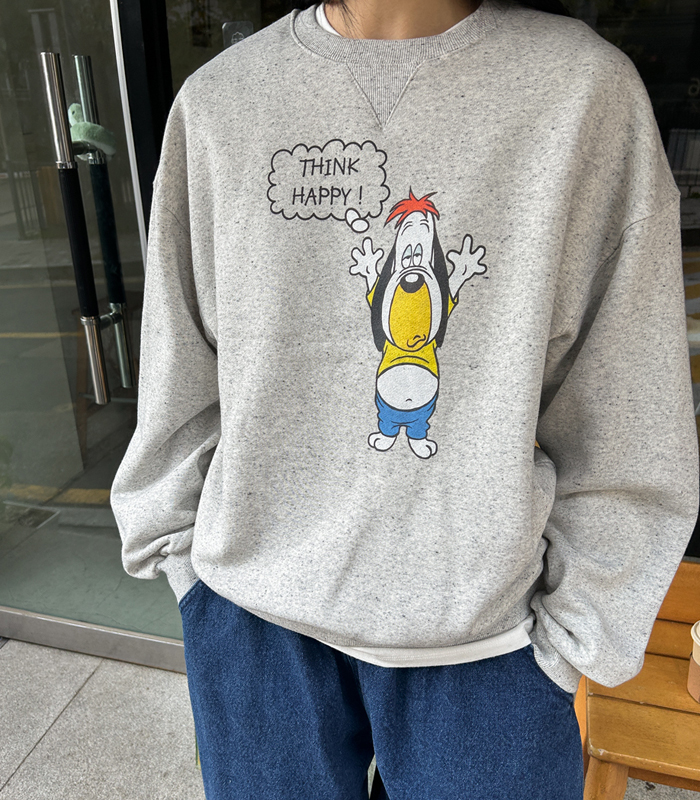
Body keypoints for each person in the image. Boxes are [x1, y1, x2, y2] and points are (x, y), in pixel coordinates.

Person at [110, 0, 700, 797]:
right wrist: (189, 577)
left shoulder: (583, 95)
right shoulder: (220, 103)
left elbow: (628, 410)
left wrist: (574, 638)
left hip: (489, 653)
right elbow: (179, 375)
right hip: (251, 633)